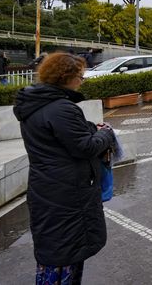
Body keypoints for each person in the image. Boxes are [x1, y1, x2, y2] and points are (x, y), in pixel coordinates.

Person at [14, 53, 115, 285]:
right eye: (80, 76)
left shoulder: (35, 104)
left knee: (55, 254)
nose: (82, 81)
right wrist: (105, 134)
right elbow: (85, 147)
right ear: (66, 77)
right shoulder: (61, 108)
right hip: (68, 194)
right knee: (67, 254)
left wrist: (89, 127)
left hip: (47, 188)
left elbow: (59, 136)